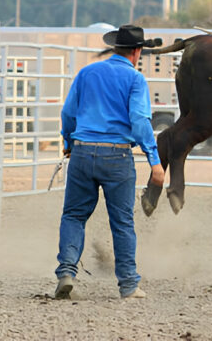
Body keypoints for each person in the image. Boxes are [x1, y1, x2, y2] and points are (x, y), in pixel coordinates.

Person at [54, 24, 165, 300]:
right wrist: (154, 160)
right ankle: (128, 284)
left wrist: (68, 143)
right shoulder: (135, 80)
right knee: (122, 221)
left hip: (82, 152)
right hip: (117, 155)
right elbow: (139, 121)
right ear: (137, 52)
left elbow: (68, 113)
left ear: (116, 47)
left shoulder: (87, 72)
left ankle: (67, 272)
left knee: (74, 215)